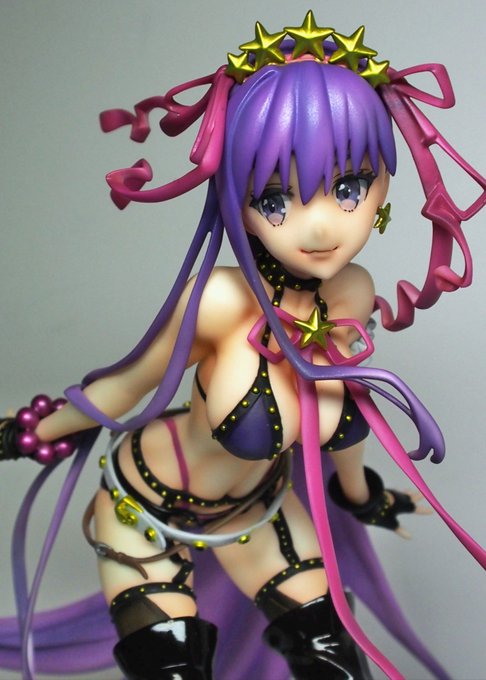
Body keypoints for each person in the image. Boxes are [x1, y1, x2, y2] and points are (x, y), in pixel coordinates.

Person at [1, 11, 485, 680]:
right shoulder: (221, 301)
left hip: (257, 512)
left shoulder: (351, 293)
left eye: (348, 189)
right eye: (277, 199)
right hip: (145, 506)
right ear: (238, 199)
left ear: (383, 186)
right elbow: (126, 387)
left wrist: (360, 494)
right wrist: (24, 433)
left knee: (340, 664)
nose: (320, 228)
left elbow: (349, 407)